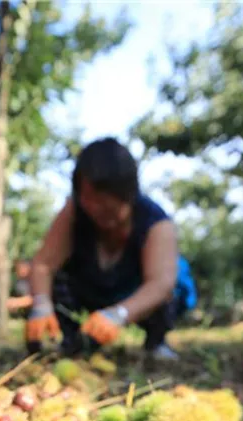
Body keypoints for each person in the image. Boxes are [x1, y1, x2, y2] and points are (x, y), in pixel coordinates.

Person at [25, 137, 193, 360]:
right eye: (88, 198)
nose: (96, 208)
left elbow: (161, 284)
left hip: (134, 294)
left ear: (127, 193)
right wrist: (41, 305)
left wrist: (119, 314)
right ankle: (70, 342)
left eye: (105, 200)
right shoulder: (74, 212)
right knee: (56, 283)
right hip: (91, 289)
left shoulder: (155, 222)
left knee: (176, 279)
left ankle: (156, 342)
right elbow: (44, 265)